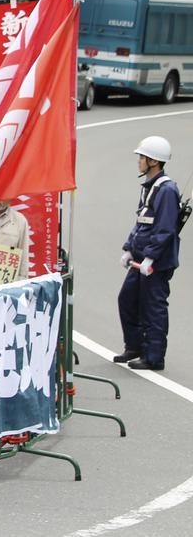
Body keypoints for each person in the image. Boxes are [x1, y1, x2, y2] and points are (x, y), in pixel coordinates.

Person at [115, 136, 181, 371]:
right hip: (141, 258)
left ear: (154, 161)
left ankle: (154, 356)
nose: (139, 161)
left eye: (142, 157)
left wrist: (151, 257)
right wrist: (129, 249)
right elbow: (142, 223)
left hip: (156, 263)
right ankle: (135, 346)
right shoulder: (151, 187)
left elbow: (165, 228)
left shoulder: (167, 190)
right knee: (127, 299)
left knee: (153, 307)